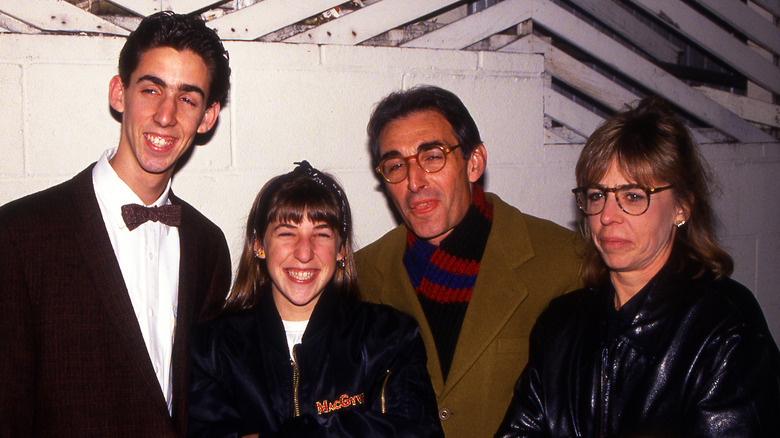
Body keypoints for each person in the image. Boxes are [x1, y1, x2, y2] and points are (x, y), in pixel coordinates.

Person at [0, 12, 232, 437]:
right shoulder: (17, 235)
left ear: (208, 117)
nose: (165, 115)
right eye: (151, 89)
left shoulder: (208, 244)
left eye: (187, 98)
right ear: (119, 93)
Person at [495, 96, 780, 437]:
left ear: (682, 208)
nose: (607, 216)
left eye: (632, 196)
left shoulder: (725, 327)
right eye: (597, 195)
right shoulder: (560, 325)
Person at [355, 85, 582, 437]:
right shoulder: (361, 276)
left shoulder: (565, 262)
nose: (414, 181)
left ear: (474, 162)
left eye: (432, 157)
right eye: (396, 165)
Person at [187, 161, 443, 438]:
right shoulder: (211, 347)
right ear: (259, 245)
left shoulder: (390, 337)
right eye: (286, 233)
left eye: (321, 234)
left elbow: (416, 432)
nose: (305, 253)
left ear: (341, 249)